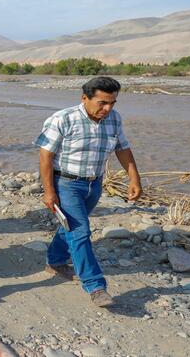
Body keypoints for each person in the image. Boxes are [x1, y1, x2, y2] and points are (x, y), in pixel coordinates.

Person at [34, 76, 142, 308]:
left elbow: (122, 148)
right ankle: (95, 286)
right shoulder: (63, 119)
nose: (107, 109)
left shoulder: (114, 118)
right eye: (102, 103)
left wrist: (134, 178)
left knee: (71, 227)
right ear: (85, 98)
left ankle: (55, 261)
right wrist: (49, 191)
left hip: (94, 184)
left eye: (112, 103)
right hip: (66, 183)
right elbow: (45, 156)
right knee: (80, 231)